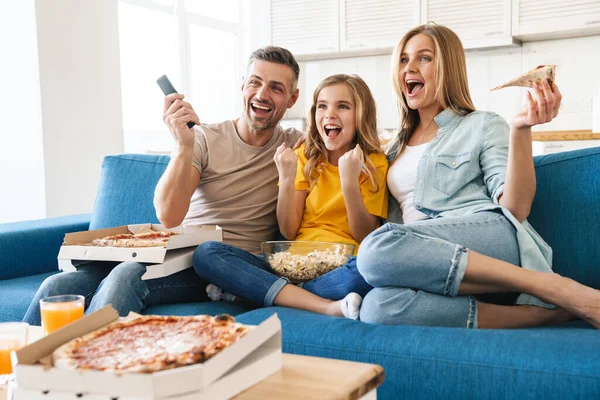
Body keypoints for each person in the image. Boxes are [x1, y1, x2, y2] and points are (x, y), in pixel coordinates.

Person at [23, 46, 303, 324]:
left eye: (276, 88)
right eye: (255, 82)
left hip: (224, 268)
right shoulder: (202, 138)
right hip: (174, 257)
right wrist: (183, 146)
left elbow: (338, 136)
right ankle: (22, 368)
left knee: (126, 276)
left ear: (292, 99)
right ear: (243, 86)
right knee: (56, 288)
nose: (262, 94)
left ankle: (88, 363)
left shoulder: (297, 146)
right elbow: (169, 216)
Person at [356, 23, 600, 330]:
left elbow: (515, 208)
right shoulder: (391, 149)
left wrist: (521, 129)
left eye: (424, 58)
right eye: (403, 60)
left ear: (448, 67)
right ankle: (547, 314)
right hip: (427, 260)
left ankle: (551, 286)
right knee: (377, 307)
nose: (409, 68)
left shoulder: (482, 124)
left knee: (375, 250)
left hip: (490, 238)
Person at [194, 74, 388, 319]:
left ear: (362, 115)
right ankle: (322, 305)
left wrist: (348, 182)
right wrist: (286, 178)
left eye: (343, 106)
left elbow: (365, 235)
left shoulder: (374, 163)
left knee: (369, 270)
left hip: (342, 268)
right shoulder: (306, 157)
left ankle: (263, 293)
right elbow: (288, 230)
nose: (329, 114)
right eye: (322, 106)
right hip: (291, 265)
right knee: (207, 253)